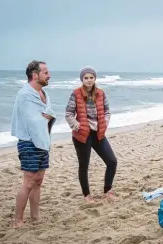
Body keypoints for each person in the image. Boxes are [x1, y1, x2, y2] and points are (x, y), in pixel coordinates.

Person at [11, 60, 56, 227]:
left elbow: (48, 114)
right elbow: (32, 120)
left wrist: (48, 116)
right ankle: (18, 220)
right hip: (29, 142)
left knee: (38, 181)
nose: (49, 75)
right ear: (35, 75)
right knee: (29, 182)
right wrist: (45, 116)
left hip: (43, 141)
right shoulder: (24, 94)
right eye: (45, 72)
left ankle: (35, 217)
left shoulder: (44, 94)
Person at [65, 66, 117, 203]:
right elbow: (69, 113)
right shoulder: (76, 93)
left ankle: (107, 190)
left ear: (95, 78)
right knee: (84, 165)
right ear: (82, 79)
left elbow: (107, 111)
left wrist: (105, 123)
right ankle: (87, 195)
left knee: (112, 161)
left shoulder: (100, 93)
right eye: (86, 78)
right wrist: (76, 125)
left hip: (98, 133)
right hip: (82, 134)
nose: (89, 80)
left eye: (91, 77)